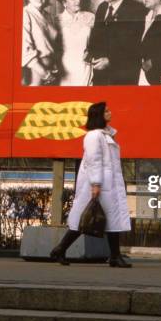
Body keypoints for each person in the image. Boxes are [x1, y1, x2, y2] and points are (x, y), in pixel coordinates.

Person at [49, 102, 132, 268]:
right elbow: (94, 161)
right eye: (106, 111)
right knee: (86, 219)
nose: (110, 112)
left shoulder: (105, 134)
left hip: (107, 184)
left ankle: (113, 256)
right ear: (99, 115)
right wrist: (95, 183)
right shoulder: (94, 136)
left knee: (108, 219)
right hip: (99, 186)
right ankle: (61, 249)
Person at [87, 0, 144, 85]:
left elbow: (135, 47)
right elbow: (95, 36)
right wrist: (90, 52)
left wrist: (111, 61)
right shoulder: (102, 8)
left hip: (122, 77)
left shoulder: (135, 10)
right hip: (101, 77)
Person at [55, 0, 94, 86]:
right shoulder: (56, 21)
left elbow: (98, 43)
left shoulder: (90, 17)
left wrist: (92, 52)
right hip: (65, 72)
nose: (78, 0)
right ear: (64, 2)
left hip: (85, 69)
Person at [21, 0, 59, 86]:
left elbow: (51, 44)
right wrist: (44, 73)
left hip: (50, 69)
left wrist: (53, 65)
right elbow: (24, 49)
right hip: (35, 71)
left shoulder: (48, 16)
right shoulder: (25, 13)